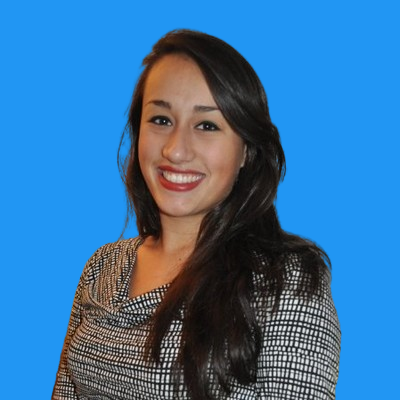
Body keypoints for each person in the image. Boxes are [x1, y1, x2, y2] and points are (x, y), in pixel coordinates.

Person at [52, 29, 340, 399]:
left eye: (207, 125)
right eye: (161, 120)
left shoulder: (286, 282)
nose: (175, 150)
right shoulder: (102, 266)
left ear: (246, 151)